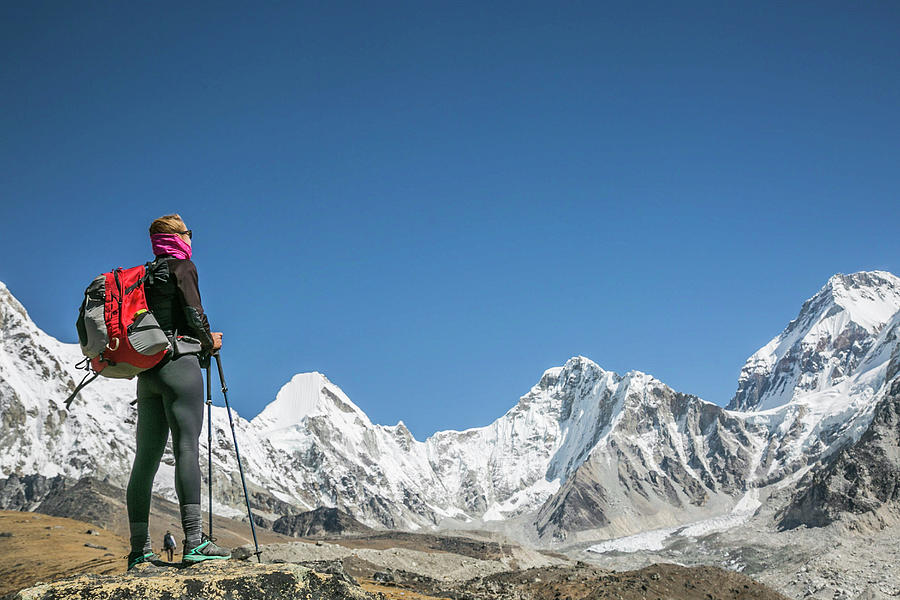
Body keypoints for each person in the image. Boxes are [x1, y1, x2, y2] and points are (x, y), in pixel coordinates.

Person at [125, 214, 231, 570]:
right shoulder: (182, 267)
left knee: (145, 459)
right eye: (188, 233)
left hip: (147, 373)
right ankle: (195, 544)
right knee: (186, 447)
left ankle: (139, 550)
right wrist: (209, 340)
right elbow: (194, 314)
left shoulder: (143, 275)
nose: (191, 238)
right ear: (179, 238)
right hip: (179, 366)